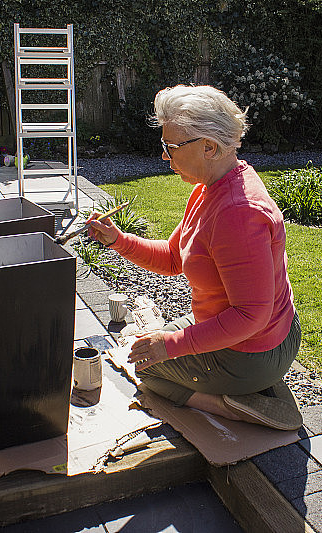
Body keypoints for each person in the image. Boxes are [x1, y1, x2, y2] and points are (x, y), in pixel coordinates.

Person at [87, 84, 302, 430]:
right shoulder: (211, 187)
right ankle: (258, 389)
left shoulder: (237, 213)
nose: (164, 156)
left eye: (170, 147)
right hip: (266, 335)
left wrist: (171, 346)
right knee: (146, 347)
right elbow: (174, 257)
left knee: (145, 369)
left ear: (209, 147)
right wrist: (118, 240)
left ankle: (236, 404)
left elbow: (251, 315)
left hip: (256, 350)